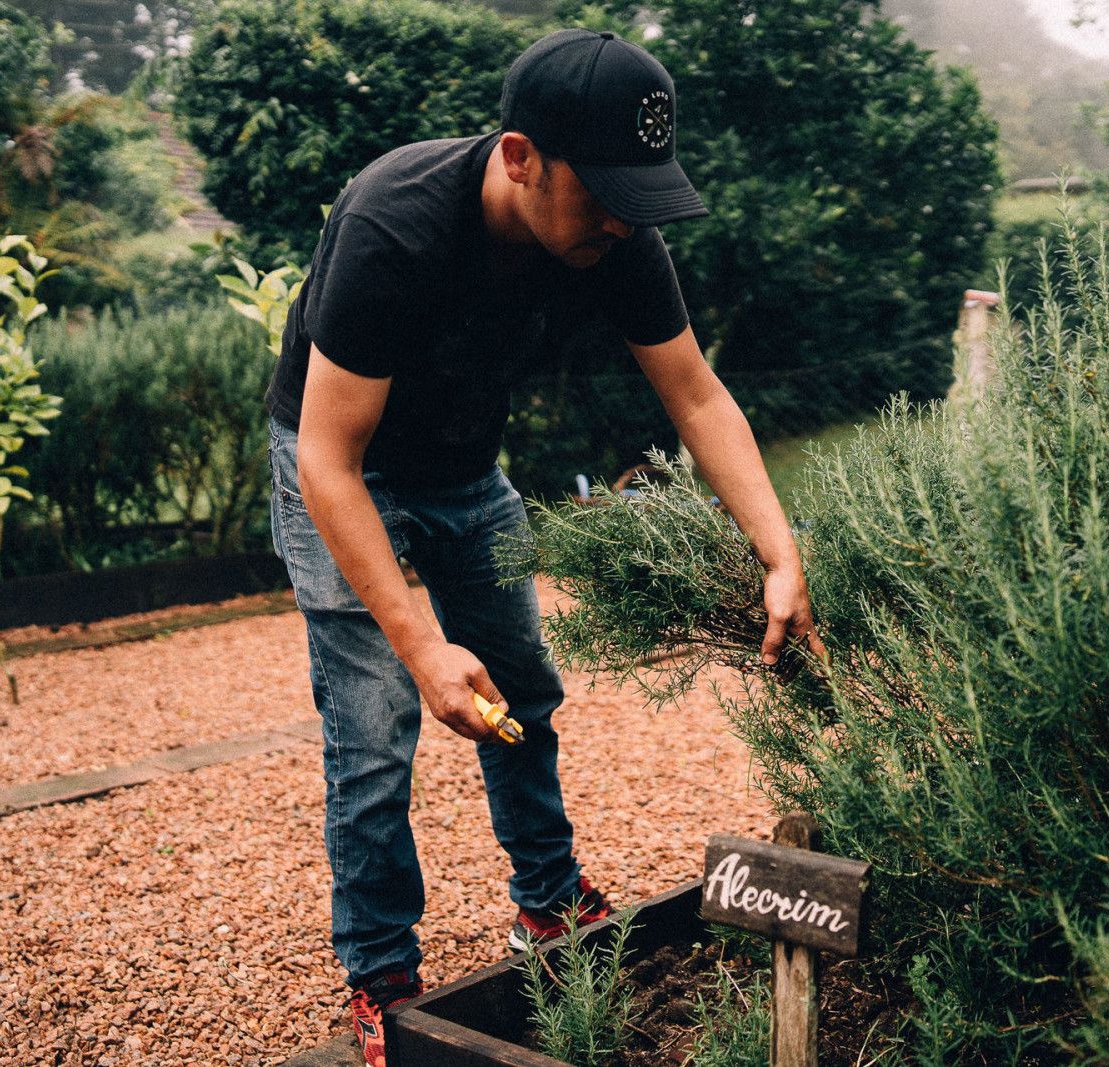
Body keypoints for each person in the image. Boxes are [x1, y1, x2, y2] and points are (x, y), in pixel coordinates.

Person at [265, 27, 826, 1067]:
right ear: (522, 157)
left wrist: (777, 548)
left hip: (466, 470)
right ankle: (382, 970)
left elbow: (695, 392)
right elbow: (329, 461)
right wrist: (422, 645)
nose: (624, 217)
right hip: (342, 465)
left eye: (640, 192)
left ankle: (549, 902)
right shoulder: (397, 222)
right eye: (604, 191)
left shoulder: (616, 231)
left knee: (522, 687)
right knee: (377, 726)